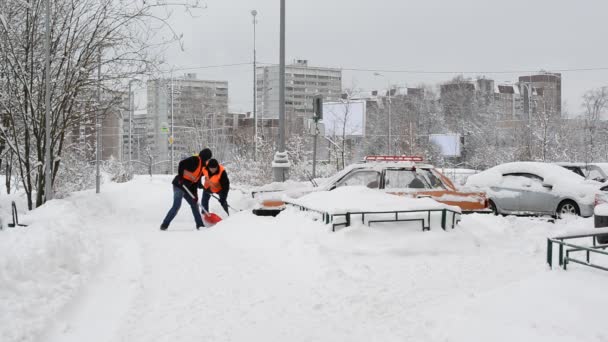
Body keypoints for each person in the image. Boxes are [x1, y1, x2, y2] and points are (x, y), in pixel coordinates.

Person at [160, 148, 212, 230]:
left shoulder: (202, 167)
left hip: (188, 187)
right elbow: (181, 164)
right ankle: (164, 225)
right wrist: (181, 178)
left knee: (194, 205)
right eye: (208, 159)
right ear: (205, 157)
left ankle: (200, 225)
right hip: (179, 185)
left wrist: (198, 188)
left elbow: (195, 181)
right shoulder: (195, 160)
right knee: (176, 205)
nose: (208, 161)